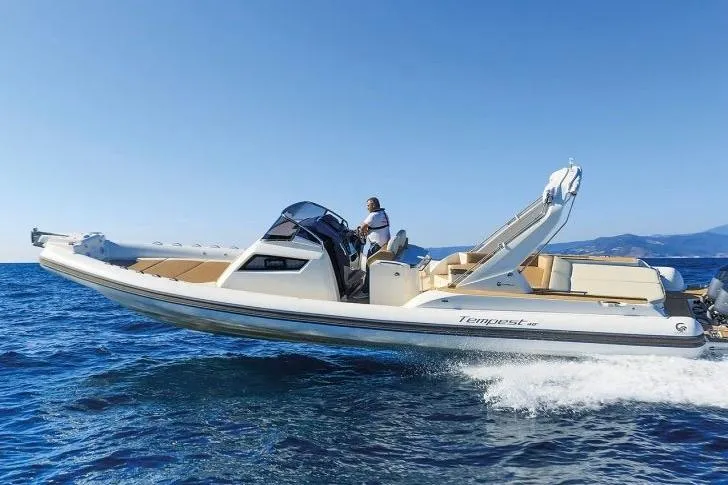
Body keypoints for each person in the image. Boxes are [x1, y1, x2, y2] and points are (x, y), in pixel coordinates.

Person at [356, 197, 390, 296]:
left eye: (368, 205)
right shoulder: (383, 214)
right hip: (383, 245)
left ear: (373, 205)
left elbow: (362, 228)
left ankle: (365, 292)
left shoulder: (373, 215)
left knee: (369, 268)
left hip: (376, 246)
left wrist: (361, 231)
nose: (367, 207)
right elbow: (375, 227)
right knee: (374, 269)